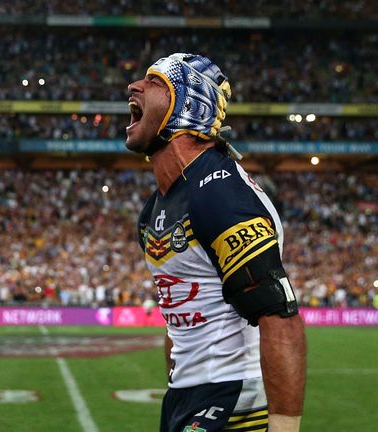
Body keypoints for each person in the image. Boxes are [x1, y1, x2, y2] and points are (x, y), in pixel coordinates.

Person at [127, 53, 307, 432]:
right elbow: (175, 321)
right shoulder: (154, 208)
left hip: (236, 401)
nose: (135, 86)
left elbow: (278, 313)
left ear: (187, 104)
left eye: (155, 82)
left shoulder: (220, 191)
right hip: (185, 397)